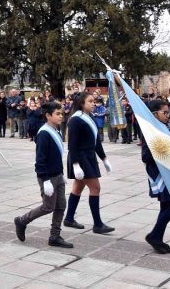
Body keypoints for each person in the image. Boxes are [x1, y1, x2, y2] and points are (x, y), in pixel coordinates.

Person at [14, 102, 73, 248]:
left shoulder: (57, 131)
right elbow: (40, 160)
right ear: (48, 115)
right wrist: (45, 180)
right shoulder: (44, 134)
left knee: (61, 205)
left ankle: (55, 236)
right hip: (47, 177)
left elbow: (56, 157)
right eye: (57, 114)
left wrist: (62, 173)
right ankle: (22, 220)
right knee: (48, 206)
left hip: (57, 175)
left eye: (62, 114)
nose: (61, 116)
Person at [63, 92, 114, 234]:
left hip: (89, 156)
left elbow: (96, 141)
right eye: (90, 101)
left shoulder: (89, 116)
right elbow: (72, 144)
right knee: (95, 188)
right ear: (81, 103)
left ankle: (69, 218)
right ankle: (97, 224)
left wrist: (104, 159)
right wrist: (75, 164)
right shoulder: (75, 119)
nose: (93, 103)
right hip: (80, 157)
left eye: (94, 101)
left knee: (78, 188)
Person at [142, 100, 170, 254]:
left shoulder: (161, 127)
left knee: (166, 206)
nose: (167, 115)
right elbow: (146, 156)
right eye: (164, 112)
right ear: (154, 114)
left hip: (167, 170)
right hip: (159, 173)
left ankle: (158, 238)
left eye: (168, 112)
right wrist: (164, 152)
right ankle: (154, 235)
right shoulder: (149, 130)